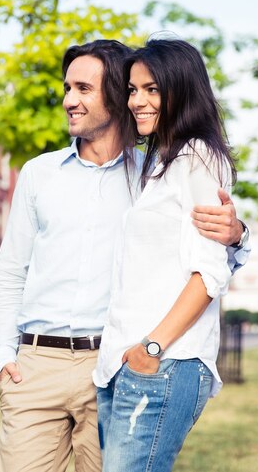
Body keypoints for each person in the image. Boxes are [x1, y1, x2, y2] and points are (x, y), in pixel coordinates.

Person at [0, 39, 249, 472]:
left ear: (112, 93)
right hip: (37, 365)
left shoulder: (153, 172)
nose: (70, 100)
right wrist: (3, 356)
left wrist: (238, 233)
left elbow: (207, 255)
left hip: (111, 362)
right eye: (67, 88)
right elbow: (11, 271)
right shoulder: (39, 174)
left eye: (83, 89)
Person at [93, 38, 238, 472]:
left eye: (151, 89)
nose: (137, 101)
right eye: (133, 90)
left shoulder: (200, 159)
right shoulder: (161, 164)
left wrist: (150, 347)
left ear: (181, 89)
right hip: (126, 367)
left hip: (163, 364)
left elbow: (209, 274)